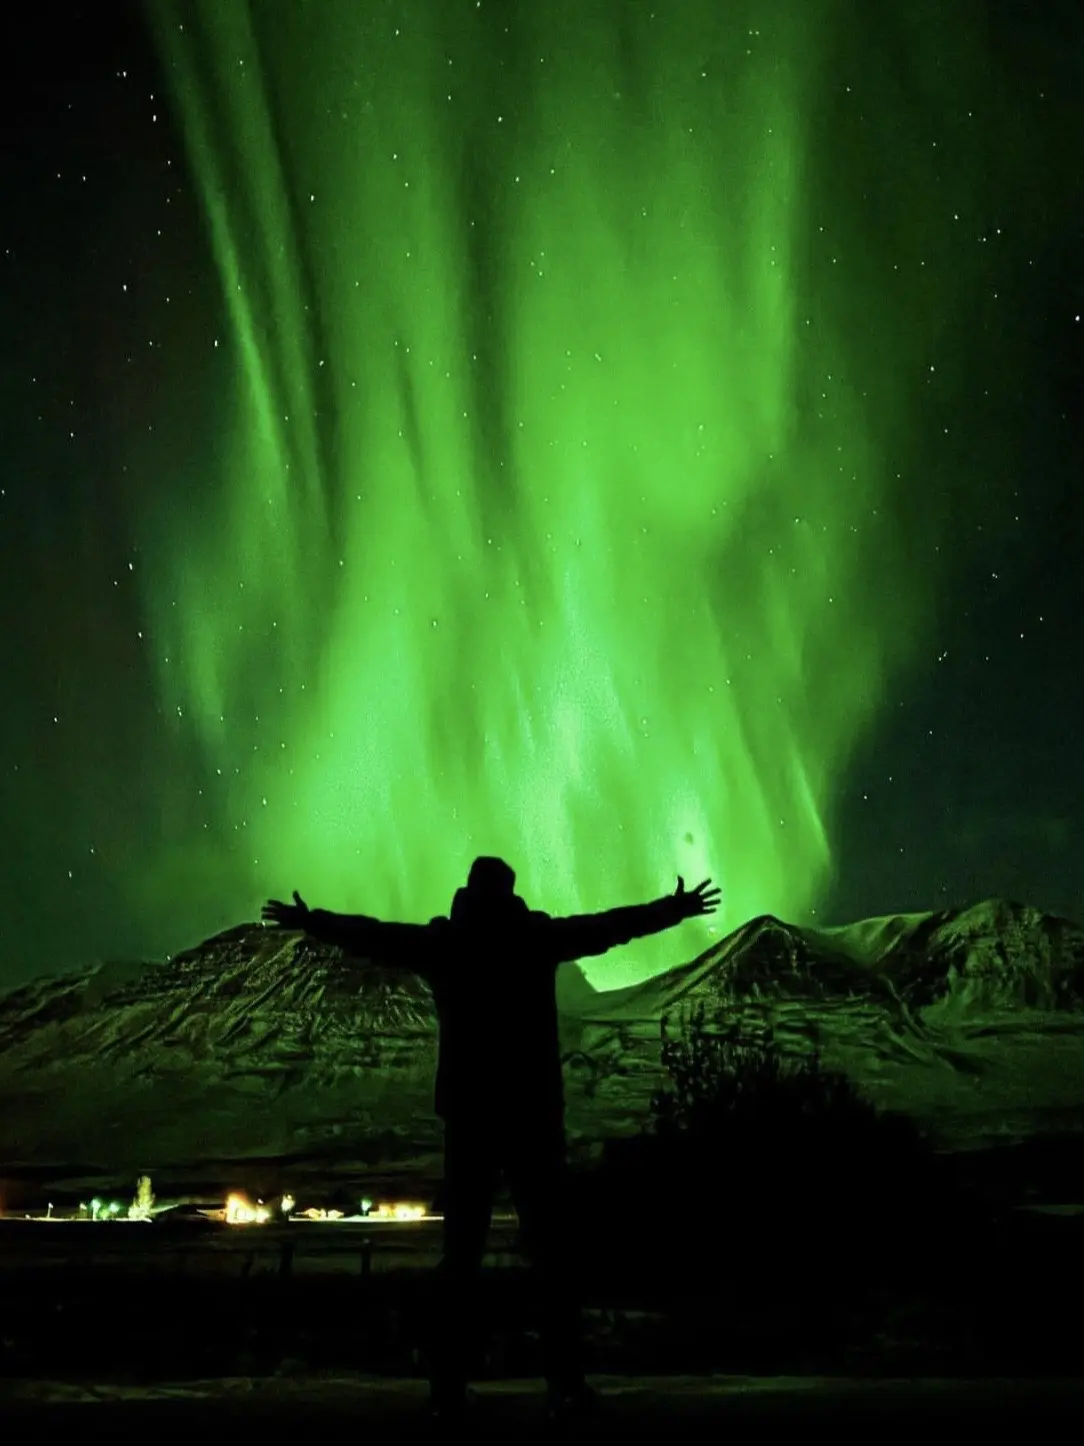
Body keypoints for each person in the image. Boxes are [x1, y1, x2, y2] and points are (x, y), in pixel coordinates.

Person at [262, 856, 720, 1423]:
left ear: (468, 891)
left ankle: (448, 1388)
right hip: (532, 1116)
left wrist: (313, 921)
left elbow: (375, 935)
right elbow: (607, 926)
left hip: (471, 1117)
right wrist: (674, 909)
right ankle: (565, 1382)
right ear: (510, 892)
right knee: (552, 1254)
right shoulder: (535, 939)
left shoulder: (446, 944)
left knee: (461, 1261)